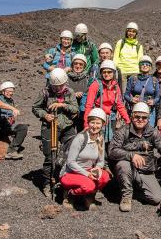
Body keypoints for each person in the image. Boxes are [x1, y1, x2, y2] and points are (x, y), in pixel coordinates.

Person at [109, 102, 161, 212]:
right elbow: (111, 151)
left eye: (144, 117)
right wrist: (131, 155)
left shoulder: (153, 133)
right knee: (123, 164)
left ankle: (130, 191)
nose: (140, 119)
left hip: (145, 170)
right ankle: (126, 197)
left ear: (148, 118)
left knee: (156, 198)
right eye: (137, 117)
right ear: (132, 116)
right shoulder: (122, 131)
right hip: (128, 168)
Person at [32, 68, 79, 197]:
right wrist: (45, 115)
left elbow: (75, 108)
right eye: (55, 86)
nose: (58, 89)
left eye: (61, 86)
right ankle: (47, 183)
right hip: (49, 126)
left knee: (70, 153)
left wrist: (62, 105)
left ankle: (64, 181)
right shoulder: (44, 93)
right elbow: (35, 108)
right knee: (49, 156)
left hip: (67, 127)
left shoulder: (70, 92)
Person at [60, 108, 111, 210]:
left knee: (105, 177)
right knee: (89, 185)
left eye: (98, 123)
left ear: (102, 124)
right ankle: (70, 195)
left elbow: (101, 161)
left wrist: (97, 169)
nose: (95, 126)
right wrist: (87, 174)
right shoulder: (80, 138)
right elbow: (70, 162)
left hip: (88, 172)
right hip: (70, 173)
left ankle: (89, 196)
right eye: (92, 122)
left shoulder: (100, 138)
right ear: (88, 123)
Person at [84, 60, 130, 150]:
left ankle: (108, 161)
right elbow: (89, 105)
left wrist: (128, 121)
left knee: (110, 143)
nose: (106, 74)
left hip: (111, 118)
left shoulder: (116, 86)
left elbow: (120, 105)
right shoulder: (95, 85)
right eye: (104, 72)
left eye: (109, 72)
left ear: (113, 73)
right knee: (97, 143)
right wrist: (86, 124)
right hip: (98, 118)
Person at [124, 55, 160, 126]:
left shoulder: (154, 80)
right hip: (135, 110)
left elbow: (158, 96)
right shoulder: (133, 79)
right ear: (139, 66)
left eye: (147, 64)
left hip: (150, 111)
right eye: (142, 64)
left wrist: (153, 101)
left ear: (150, 67)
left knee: (149, 132)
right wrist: (131, 99)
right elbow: (126, 95)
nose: (145, 66)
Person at [113, 22, 144, 91]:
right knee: (122, 92)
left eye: (133, 32)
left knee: (134, 92)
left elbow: (140, 60)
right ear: (126, 32)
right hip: (122, 72)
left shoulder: (138, 46)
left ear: (136, 33)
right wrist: (115, 70)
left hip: (135, 72)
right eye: (129, 31)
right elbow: (116, 57)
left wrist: (141, 73)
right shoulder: (120, 43)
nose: (131, 33)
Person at [67, 54, 90, 132]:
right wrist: (73, 95)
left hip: (82, 111)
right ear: (72, 64)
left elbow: (90, 93)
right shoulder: (66, 77)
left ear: (84, 66)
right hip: (68, 112)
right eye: (75, 63)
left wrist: (83, 94)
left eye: (81, 64)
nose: (78, 66)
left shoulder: (88, 78)